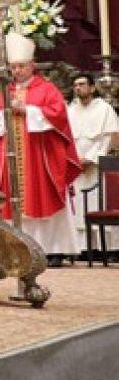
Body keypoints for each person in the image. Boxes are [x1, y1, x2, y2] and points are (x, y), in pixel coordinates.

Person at [0, 32, 82, 266]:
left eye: (21, 66)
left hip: (39, 159)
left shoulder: (47, 89)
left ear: (32, 66)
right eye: (13, 67)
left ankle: (51, 250)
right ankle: (15, 250)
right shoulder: (5, 93)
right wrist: (2, 114)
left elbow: (59, 117)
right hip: (9, 157)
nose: (17, 71)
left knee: (42, 197)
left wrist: (29, 111)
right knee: (11, 201)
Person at [66, 73, 119, 253]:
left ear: (92, 87)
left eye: (82, 84)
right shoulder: (70, 110)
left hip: (96, 167)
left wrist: (91, 158)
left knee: (99, 203)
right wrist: (74, 160)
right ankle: (83, 249)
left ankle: (107, 249)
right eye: (75, 85)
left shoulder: (104, 109)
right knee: (78, 206)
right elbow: (66, 139)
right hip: (75, 167)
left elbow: (110, 138)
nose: (78, 88)